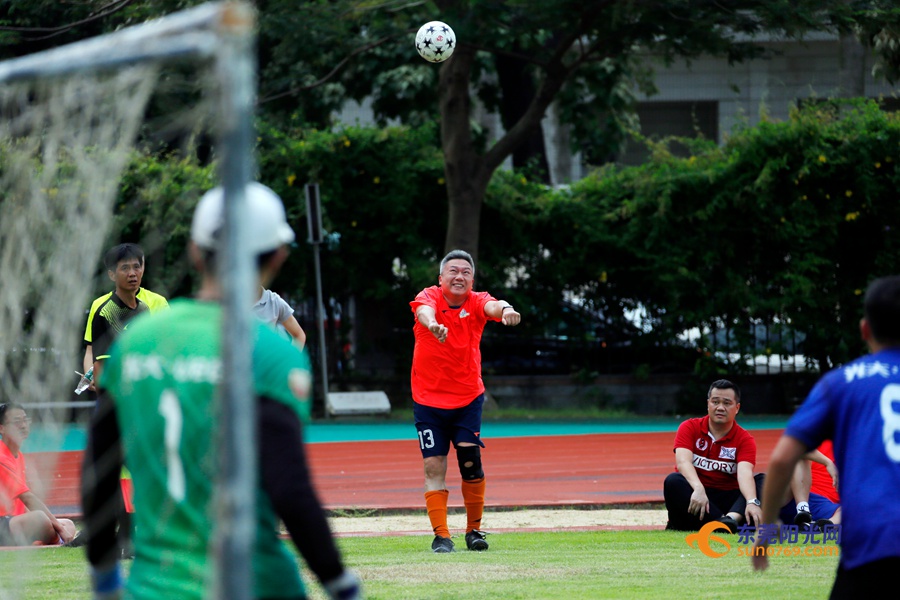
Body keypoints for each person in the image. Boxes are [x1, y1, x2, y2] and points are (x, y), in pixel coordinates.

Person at [81, 182, 360, 600]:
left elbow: (99, 470)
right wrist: (337, 580)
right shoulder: (269, 352)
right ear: (279, 256)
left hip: (154, 586)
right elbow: (289, 488)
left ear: (196, 252)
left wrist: (104, 578)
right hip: (255, 582)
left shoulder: (140, 341)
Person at [752, 275, 900, 596]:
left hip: (872, 547)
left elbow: (782, 457)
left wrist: (764, 531)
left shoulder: (842, 383)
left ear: (864, 330)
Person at [410, 249, 521, 553]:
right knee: (434, 465)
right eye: (453, 271)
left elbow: (493, 306)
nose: (459, 277)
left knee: (470, 462)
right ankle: (441, 536)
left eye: (466, 273)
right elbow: (424, 312)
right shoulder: (428, 297)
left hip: (467, 398)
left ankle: (474, 531)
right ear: (441, 277)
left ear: (472, 279)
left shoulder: (476, 301)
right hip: (427, 399)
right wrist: (432, 326)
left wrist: (507, 309)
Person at [663, 379, 764, 533]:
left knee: (763, 481)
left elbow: (745, 474)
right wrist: (698, 488)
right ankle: (723, 525)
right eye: (715, 402)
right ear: (708, 404)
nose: (720, 408)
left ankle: (729, 520)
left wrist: (751, 501)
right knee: (673, 481)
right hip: (697, 496)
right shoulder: (689, 427)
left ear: (737, 408)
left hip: (728, 500)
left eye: (727, 403)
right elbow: (683, 463)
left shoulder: (745, 439)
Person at [82, 243, 169, 383]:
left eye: (136, 267)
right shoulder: (102, 308)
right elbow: (92, 351)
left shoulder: (150, 305)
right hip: (116, 388)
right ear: (112, 275)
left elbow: (166, 345)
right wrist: (90, 377)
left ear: (143, 268)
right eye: (125, 268)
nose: (132, 273)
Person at [0, 403, 77, 546]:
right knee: (41, 519)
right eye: (17, 422)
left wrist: (55, 524)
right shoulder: (1, 457)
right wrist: (59, 528)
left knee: (68, 523)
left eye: (25, 420)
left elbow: (22, 502)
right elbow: (27, 497)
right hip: (3, 524)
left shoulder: (18, 455)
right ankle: (59, 540)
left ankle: (45, 539)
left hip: (14, 521)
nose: (23, 425)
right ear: (1, 428)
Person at [781, 441, 841, 529]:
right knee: (800, 454)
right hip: (796, 494)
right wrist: (828, 462)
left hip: (823, 505)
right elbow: (795, 447)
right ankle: (803, 509)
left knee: (848, 511)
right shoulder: (816, 438)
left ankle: (822, 526)